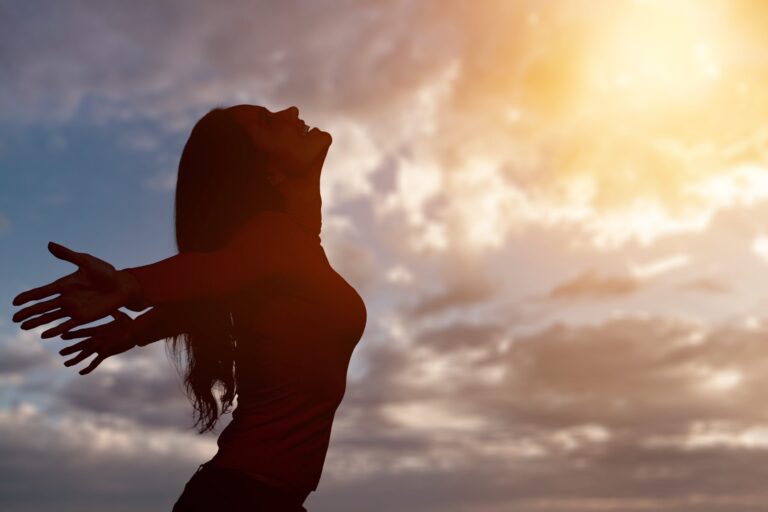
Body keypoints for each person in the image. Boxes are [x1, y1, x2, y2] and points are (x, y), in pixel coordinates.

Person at [10, 105, 367, 511]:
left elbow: (216, 288)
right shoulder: (275, 236)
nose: (292, 111)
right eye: (269, 121)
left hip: (255, 496)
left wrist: (132, 332)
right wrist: (132, 284)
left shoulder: (289, 251)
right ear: (269, 173)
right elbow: (215, 270)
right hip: (244, 500)